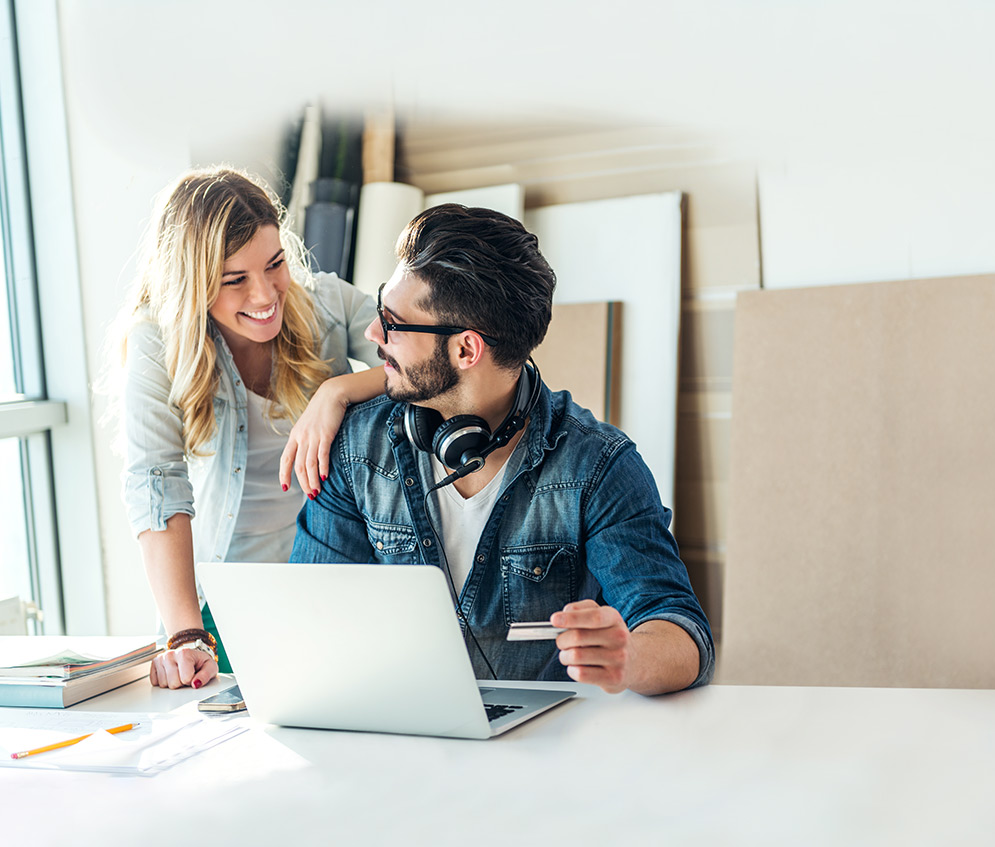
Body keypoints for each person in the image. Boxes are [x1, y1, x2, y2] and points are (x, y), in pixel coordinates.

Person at [291, 204, 713, 694]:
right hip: (397, 741)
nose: (371, 334)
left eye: (393, 322)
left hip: (538, 758)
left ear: (466, 350)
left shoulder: (597, 466)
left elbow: (682, 633)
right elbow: (310, 620)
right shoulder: (354, 448)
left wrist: (630, 655)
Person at [116, 167, 386, 691]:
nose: (265, 295)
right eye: (234, 280)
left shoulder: (327, 304)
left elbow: (427, 362)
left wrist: (338, 391)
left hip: (332, 583)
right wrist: (185, 635)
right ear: (193, 285)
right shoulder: (158, 340)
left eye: (275, 264)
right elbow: (156, 484)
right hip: (224, 606)